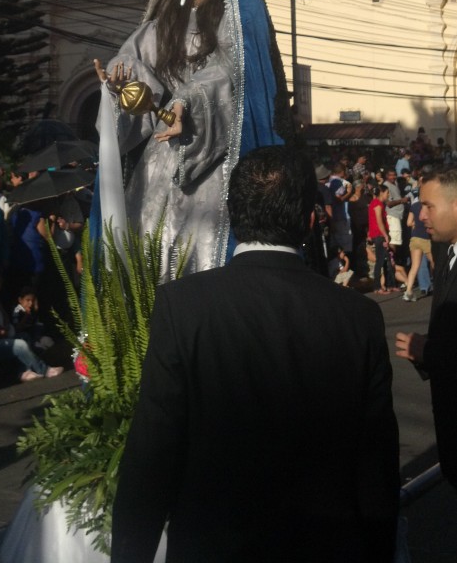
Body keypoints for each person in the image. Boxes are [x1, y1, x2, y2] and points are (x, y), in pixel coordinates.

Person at [111, 145, 400, 563]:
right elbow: (376, 464)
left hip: (212, 545)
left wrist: (129, 554)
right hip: (327, 546)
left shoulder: (184, 306)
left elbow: (153, 448)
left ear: (232, 215)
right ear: (309, 219)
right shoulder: (358, 316)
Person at [92, 0, 292, 274]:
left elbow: (232, 70)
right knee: (149, 243)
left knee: (198, 246)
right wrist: (122, 81)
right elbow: (137, 58)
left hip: (207, 157)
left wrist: (187, 101)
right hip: (157, 160)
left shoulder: (236, 18)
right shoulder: (164, 24)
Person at [396, 167, 457, 488]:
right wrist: (425, 353)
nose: (421, 215)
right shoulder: (447, 254)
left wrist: (428, 350)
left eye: (429, 206)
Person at [0, 267, 62, 382]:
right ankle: (44, 370)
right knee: (20, 345)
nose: (2, 282)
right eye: (0, 280)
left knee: (24, 337)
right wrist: (6, 332)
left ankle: (24, 371)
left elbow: (4, 318)